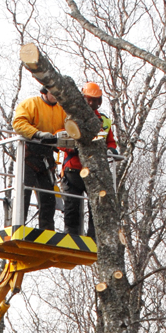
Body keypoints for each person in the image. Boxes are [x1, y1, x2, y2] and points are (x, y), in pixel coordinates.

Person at [61, 82, 117, 238]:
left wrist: (112, 149)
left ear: (100, 101)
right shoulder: (71, 117)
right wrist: (72, 148)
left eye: (95, 100)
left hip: (95, 170)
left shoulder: (103, 121)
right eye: (89, 99)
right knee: (72, 205)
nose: (92, 103)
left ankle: (94, 237)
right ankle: (71, 236)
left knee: (97, 206)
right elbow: (60, 139)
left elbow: (110, 140)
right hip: (73, 167)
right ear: (83, 98)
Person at [12, 86, 67, 230]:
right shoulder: (31, 104)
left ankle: (47, 230)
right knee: (24, 193)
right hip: (29, 154)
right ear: (44, 92)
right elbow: (18, 123)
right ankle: (18, 226)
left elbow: (69, 128)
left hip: (47, 157)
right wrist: (37, 134)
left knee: (48, 198)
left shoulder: (62, 111)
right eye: (53, 93)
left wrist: (59, 138)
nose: (56, 95)